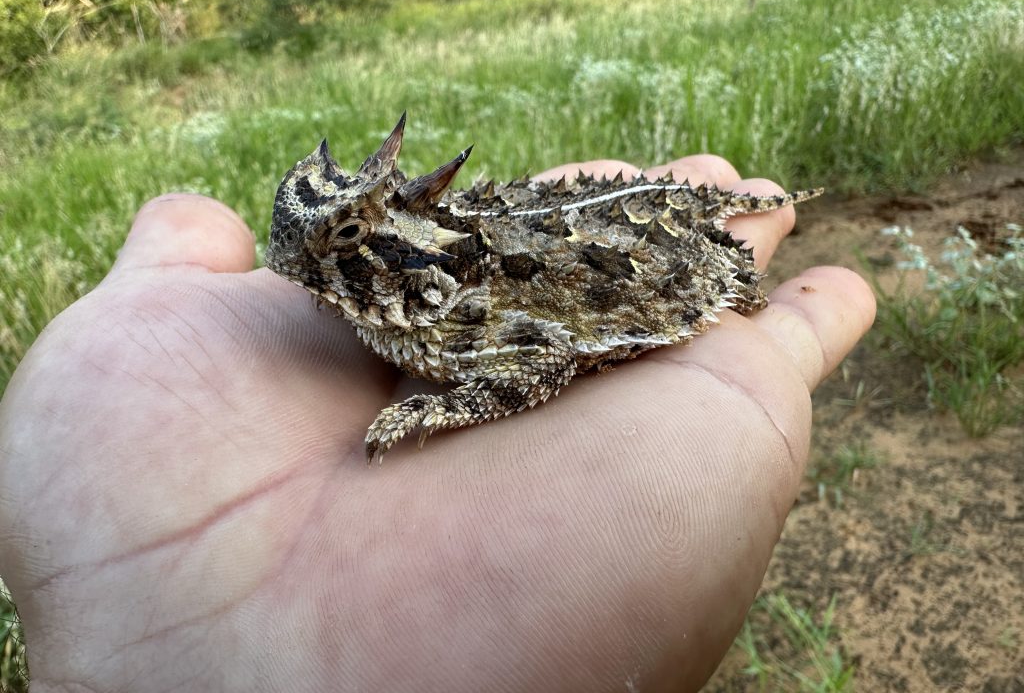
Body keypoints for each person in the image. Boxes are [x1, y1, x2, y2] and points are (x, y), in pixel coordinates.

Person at [0, 154, 874, 692]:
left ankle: (720, 253)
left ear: (390, 262)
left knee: (715, 267)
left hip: (633, 262)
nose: (299, 265)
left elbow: (537, 362)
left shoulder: (451, 311)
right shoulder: (403, 292)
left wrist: (446, 404)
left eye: (339, 246)